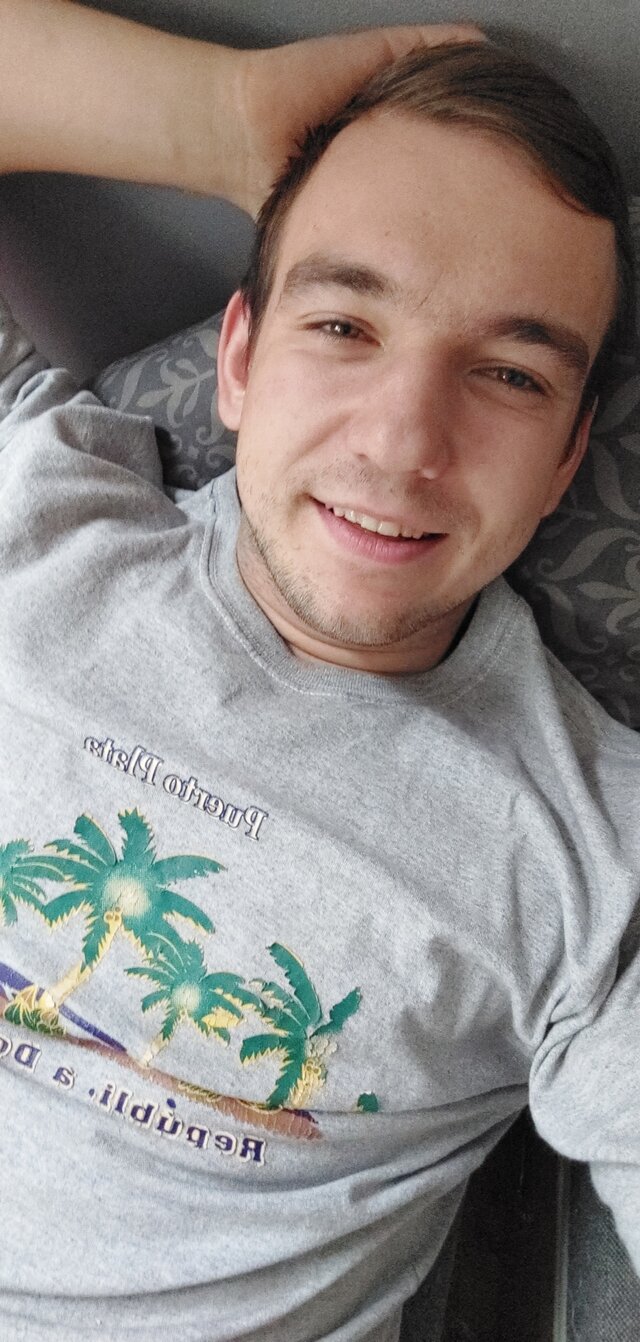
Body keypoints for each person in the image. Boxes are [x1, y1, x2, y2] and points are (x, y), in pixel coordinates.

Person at [0, 3, 638, 1339]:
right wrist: (225, 122)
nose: (404, 443)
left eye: (510, 375)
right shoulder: (35, 504)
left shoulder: (594, 858)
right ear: (238, 359)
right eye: (344, 326)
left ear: (569, 460)